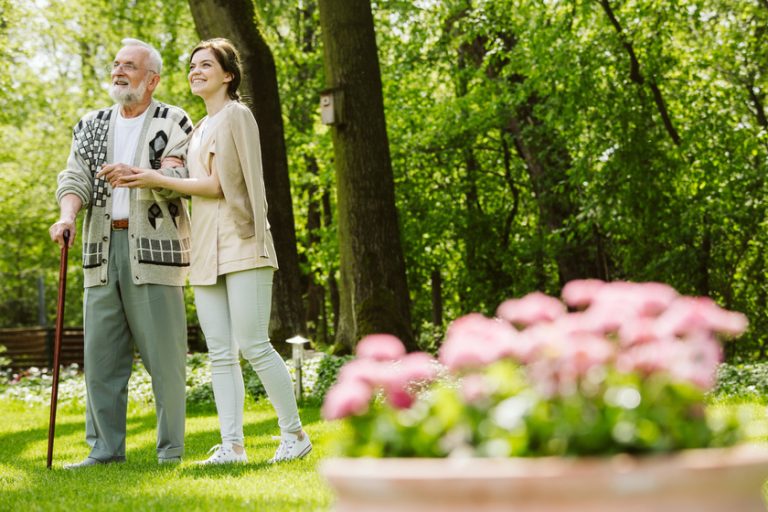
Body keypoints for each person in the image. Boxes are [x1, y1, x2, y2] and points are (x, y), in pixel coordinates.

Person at [109, 38, 311, 465]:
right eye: (192, 65)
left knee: (254, 343)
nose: (196, 71)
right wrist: (150, 172)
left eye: (206, 65)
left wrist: (152, 179)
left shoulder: (236, 116)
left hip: (242, 242)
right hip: (205, 249)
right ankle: (233, 445)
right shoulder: (199, 128)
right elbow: (180, 172)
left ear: (228, 75)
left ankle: (294, 434)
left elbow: (216, 186)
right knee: (220, 351)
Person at [49, 38, 193, 468]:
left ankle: (170, 452)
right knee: (101, 360)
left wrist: (138, 175)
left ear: (152, 79)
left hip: (156, 252)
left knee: (165, 362)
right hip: (99, 248)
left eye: (129, 65)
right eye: (115, 64)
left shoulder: (173, 120)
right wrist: (67, 217)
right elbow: (74, 178)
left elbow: (180, 172)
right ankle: (104, 450)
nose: (118, 71)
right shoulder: (91, 124)